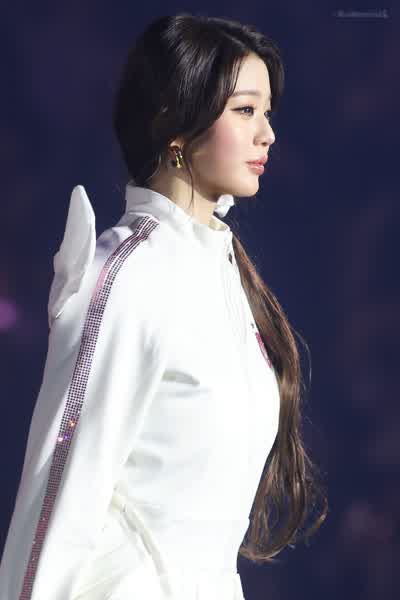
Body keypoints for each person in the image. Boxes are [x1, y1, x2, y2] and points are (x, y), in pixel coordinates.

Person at [0, 12, 328, 600]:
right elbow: (59, 498)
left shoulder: (224, 271)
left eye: (267, 113)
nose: (268, 134)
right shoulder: (127, 275)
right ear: (175, 123)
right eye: (246, 110)